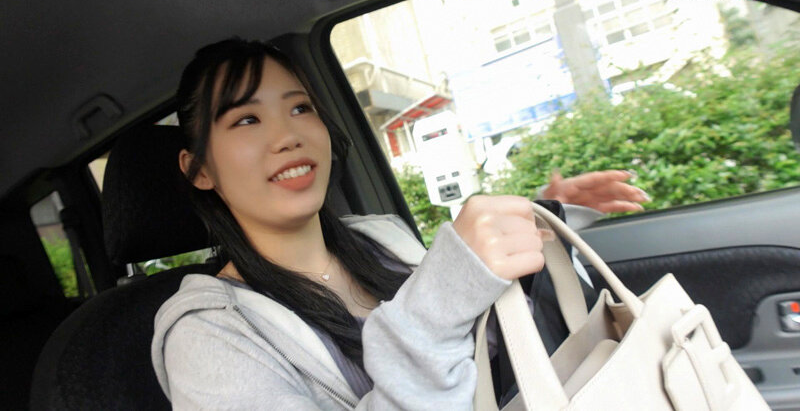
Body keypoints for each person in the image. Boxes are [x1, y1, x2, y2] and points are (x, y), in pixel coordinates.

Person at [150, 38, 648, 410]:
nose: (288, 135)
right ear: (199, 169)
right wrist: (436, 306)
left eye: (300, 107)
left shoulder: (380, 238)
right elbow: (438, 317)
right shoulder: (206, 337)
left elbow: (484, 346)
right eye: (246, 120)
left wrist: (541, 220)